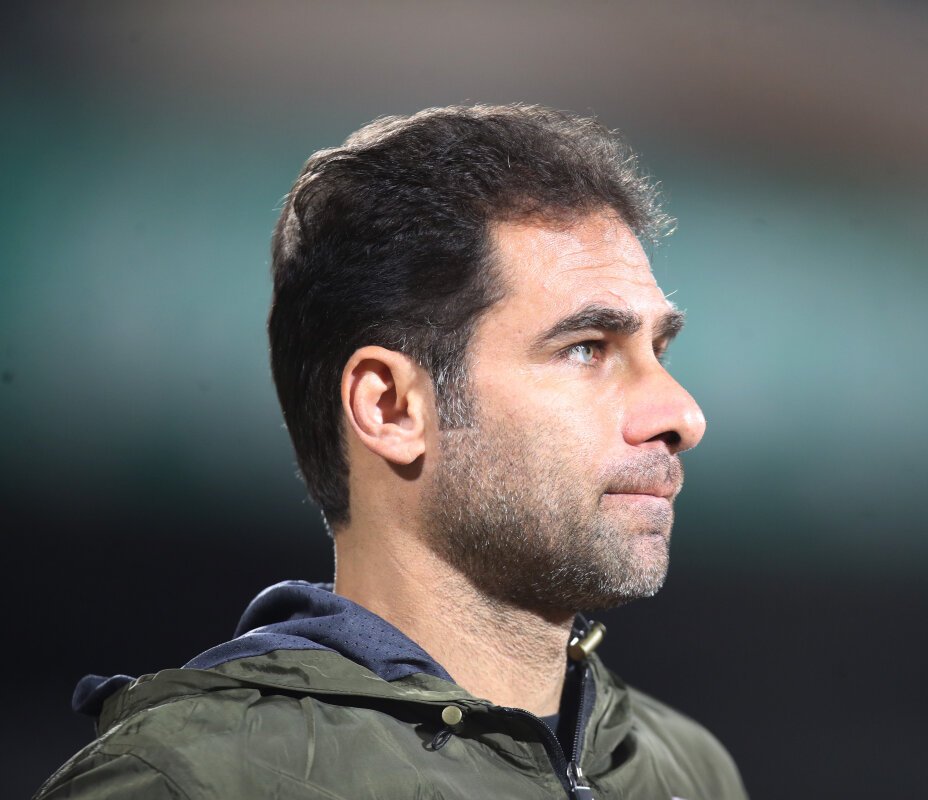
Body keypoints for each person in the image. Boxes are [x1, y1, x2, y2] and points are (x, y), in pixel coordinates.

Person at [36, 104, 747, 800]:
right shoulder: (190, 782)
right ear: (391, 408)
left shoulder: (688, 771)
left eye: (658, 349)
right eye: (586, 349)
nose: (683, 416)